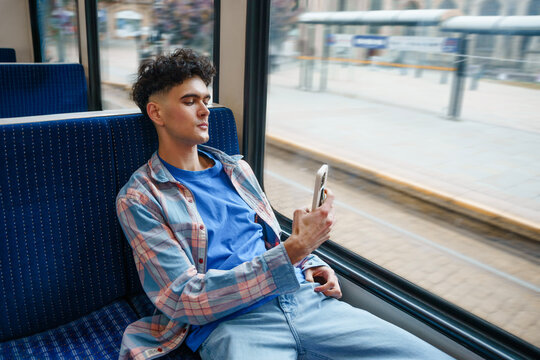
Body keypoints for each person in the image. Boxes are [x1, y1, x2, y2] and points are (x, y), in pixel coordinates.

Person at [117, 48, 454, 360]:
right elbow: (183, 300)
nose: (206, 110)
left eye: (206, 99)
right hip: (232, 326)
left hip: (305, 299)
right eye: (190, 101)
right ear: (156, 112)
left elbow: (269, 238)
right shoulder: (140, 198)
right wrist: (295, 250)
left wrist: (309, 261)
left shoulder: (237, 169)